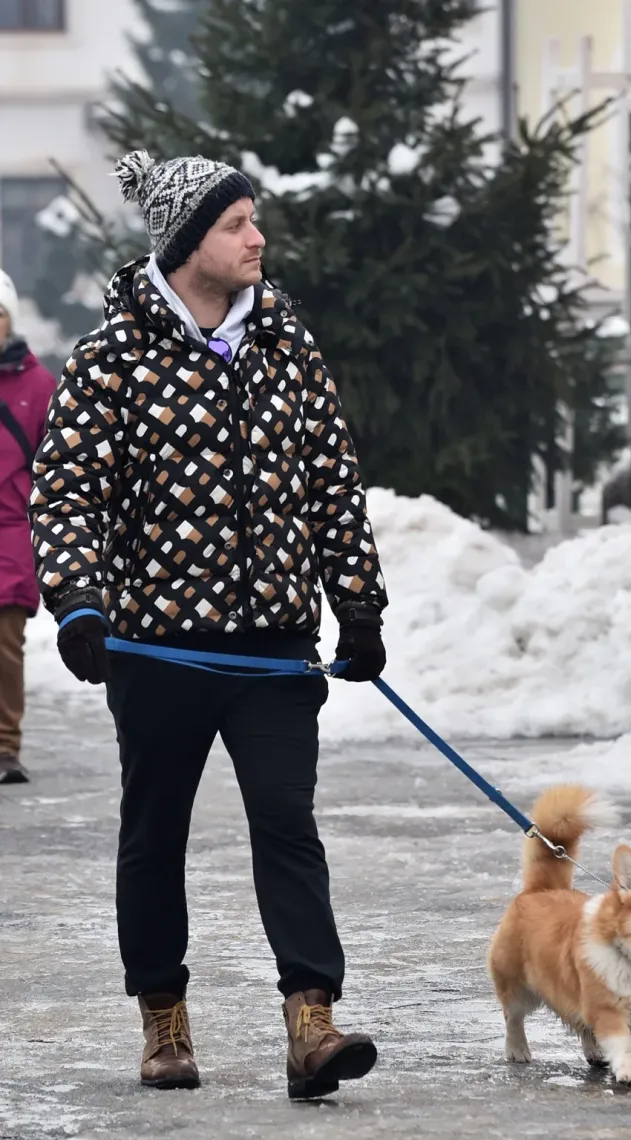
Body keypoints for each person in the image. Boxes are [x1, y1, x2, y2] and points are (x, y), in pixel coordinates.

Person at [29, 151, 388, 1099]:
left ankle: (311, 1018)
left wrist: (356, 604)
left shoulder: (285, 345)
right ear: (189, 242)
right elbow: (65, 495)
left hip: (272, 646)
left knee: (287, 823)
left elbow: (329, 483)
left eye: (254, 222)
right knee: (155, 831)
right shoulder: (113, 359)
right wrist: (80, 605)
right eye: (236, 225)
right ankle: (163, 1020)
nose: (257, 238)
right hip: (159, 648)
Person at [0, 270, 56, 784]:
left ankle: (5, 745)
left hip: (11, 534)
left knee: (4, 643)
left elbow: (59, 468)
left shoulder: (38, 386)